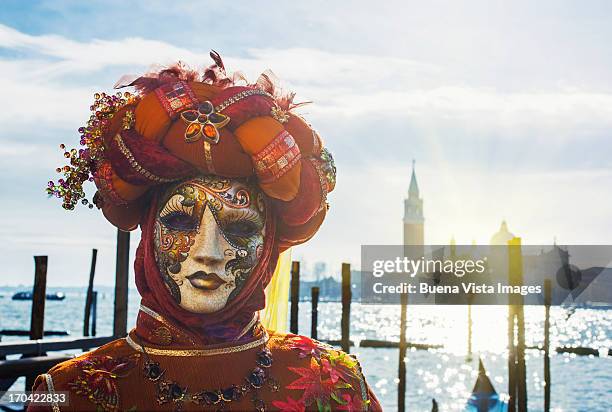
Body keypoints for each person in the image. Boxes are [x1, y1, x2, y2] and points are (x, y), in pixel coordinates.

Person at [32, 52, 382, 411]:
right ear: (149, 230)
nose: (207, 252)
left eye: (240, 227)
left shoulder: (335, 387)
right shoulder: (67, 395)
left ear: (269, 246)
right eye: (180, 222)